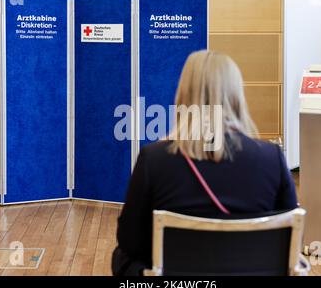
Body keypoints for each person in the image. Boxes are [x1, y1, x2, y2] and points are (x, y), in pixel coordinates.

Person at [112, 50, 298, 276]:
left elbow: (130, 241)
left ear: (184, 95)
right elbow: (292, 242)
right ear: (236, 95)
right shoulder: (272, 159)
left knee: (123, 258)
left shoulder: (154, 160)